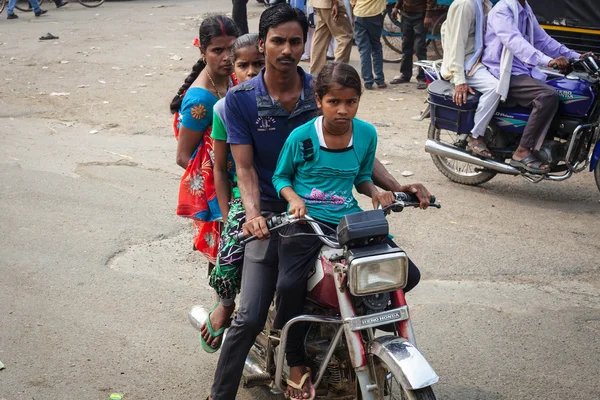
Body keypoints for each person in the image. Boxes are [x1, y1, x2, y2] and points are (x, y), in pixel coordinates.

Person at [208, 5, 431, 399]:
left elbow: (357, 151)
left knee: (395, 275)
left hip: (330, 213)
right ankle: (222, 393)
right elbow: (243, 169)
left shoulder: (323, 89)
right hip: (272, 212)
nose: (287, 49)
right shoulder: (240, 100)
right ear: (263, 44)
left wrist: (396, 187)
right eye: (278, 41)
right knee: (251, 314)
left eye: (296, 41)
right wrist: (256, 215)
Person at [272, 62, 423, 399]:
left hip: (349, 220)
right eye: (334, 102)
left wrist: (378, 193)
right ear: (319, 100)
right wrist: (294, 199)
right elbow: (280, 177)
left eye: (351, 102)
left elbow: (360, 177)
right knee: (289, 285)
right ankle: (296, 362)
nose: (343, 110)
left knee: (406, 274)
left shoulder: (366, 134)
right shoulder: (301, 137)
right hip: (306, 222)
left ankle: (370, 334)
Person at [201, 33, 266, 353]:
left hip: (287, 190)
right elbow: (220, 169)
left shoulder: (286, 98)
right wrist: (228, 216)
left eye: (258, 64)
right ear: (233, 71)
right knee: (228, 254)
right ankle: (226, 303)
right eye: (244, 65)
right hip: (245, 196)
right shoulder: (224, 108)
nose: (251, 71)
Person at [169, 16, 238, 274]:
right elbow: (183, 156)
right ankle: (222, 308)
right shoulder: (201, 99)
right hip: (219, 191)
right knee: (224, 256)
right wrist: (219, 184)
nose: (227, 57)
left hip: (237, 179)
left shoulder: (232, 77)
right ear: (203, 51)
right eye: (217, 50)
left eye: (232, 48)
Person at [482, 0, 582, 174]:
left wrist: (577, 56)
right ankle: (522, 151)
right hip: (504, 72)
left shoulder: (525, 11)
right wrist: (548, 61)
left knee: (564, 88)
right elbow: (515, 41)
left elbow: (544, 41)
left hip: (524, 70)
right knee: (547, 96)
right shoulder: (502, 10)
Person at [440, 0, 501, 157]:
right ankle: (476, 137)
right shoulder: (465, 4)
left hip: (478, 59)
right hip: (465, 64)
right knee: (495, 88)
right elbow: (456, 43)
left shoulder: (483, 3)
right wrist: (459, 81)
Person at [390, 0, 437, 89]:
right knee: (406, 45)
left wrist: (428, 15)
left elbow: (431, 1)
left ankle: (422, 77)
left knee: (419, 48)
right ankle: (405, 74)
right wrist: (396, 7)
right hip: (406, 14)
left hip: (420, 14)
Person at [308, 0, 354, 75]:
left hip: (318, 3)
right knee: (344, 37)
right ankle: (337, 74)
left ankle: (314, 74)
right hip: (330, 4)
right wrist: (335, 2)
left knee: (320, 38)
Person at [351, 0, 387, 89]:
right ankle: (380, 80)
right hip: (374, 14)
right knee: (376, 47)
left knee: (364, 50)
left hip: (359, 13)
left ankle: (367, 81)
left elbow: (353, 2)